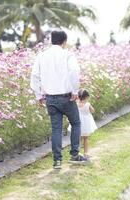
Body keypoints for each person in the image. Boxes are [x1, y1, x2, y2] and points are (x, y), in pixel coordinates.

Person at [30, 30, 87, 169]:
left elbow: (34, 76)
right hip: (66, 97)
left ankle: (57, 161)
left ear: (51, 40)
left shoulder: (42, 56)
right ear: (64, 41)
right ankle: (74, 154)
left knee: (56, 129)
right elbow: (74, 72)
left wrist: (38, 95)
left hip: (50, 98)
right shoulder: (68, 55)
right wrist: (75, 90)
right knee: (76, 123)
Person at [77, 89, 97, 158]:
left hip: (78, 122)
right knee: (85, 138)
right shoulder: (87, 104)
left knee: (77, 138)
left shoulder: (76, 104)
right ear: (87, 97)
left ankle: (77, 152)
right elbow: (93, 111)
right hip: (86, 123)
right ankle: (86, 153)